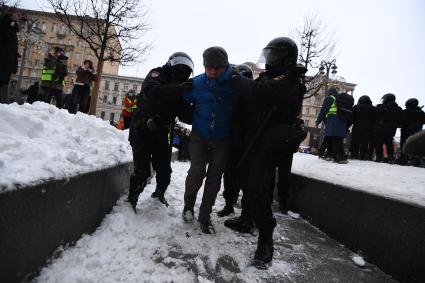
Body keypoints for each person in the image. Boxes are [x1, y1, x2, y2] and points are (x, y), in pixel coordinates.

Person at [225, 37, 307, 269]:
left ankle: (266, 239)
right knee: (243, 179)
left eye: (274, 55)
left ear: (285, 57)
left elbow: (259, 92)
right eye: (268, 55)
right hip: (254, 140)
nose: (269, 59)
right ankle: (246, 219)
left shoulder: (289, 79)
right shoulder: (273, 76)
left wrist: (234, 77)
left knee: (258, 189)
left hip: (269, 144)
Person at [181, 46, 239, 234]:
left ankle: (204, 217)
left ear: (226, 66)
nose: (213, 72)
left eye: (218, 67)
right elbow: (179, 97)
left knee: (214, 179)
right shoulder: (196, 83)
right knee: (197, 172)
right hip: (199, 136)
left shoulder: (236, 84)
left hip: (223, 140)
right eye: (209, 67)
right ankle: (188, 207)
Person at [127, 52, 194, 212]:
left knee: (164, 170)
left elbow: (186, 115)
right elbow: (151, 91)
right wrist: (177, 89)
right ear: (171, 66)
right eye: (179, 69)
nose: (181, 74)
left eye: (185, 72)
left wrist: (201, 106)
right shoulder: (157, 74)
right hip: (143, 126)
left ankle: (159, 194)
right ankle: (131, 200)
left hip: (163, 131)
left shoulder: (181, 89)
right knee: (141, 170)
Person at [217, 63, 254, 217]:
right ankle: (229, 204)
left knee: (244, 178)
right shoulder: (232, 96)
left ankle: (245, 211)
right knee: (230, 175)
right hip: (233, 142)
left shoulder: (253, 96)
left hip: (247, 144)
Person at [316, 88, 349, 163]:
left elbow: (323, 111)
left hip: (333, 120)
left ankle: (339, 157)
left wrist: (318, 121)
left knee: (332, 138)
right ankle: (332, 155)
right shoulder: (341, 99)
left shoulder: (330, 98)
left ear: (329, 93)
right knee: (337, 138)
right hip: (342, 121)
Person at [0, 6, 22, 104]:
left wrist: (15, 54)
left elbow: (11, 44)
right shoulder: (4, 24)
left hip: (8, 60)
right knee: (2, 81)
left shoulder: (13, 30)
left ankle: (3, 103)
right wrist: (10, 19)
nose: (17, 17)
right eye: (15, 14)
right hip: (2, 58)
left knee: (4, 81)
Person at [373, 93, 402, 163]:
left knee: (379, 143)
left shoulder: (380, 106)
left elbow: (375, 115)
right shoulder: (398, 108)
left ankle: (379, 157)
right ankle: (390, 158)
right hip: (391, 129)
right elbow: (400, 119)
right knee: (389, 142)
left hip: (380, 127)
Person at [399, 98, 425, 165]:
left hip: (406, 130)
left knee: (404, 145)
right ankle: (416, 161)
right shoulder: (421, 112)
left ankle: (403, 160)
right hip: (417, 131)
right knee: (416, 146)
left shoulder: (406, 111)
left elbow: (400, 120)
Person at [349, 95, 375, 160]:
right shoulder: (372, 108)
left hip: (357, 126)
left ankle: (354, 154)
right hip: (368, 126)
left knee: (355, 141)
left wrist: (348, 125)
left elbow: (351, 117)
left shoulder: (356, 107)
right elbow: (374, 119)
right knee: (365, 141)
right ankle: (363, 155)